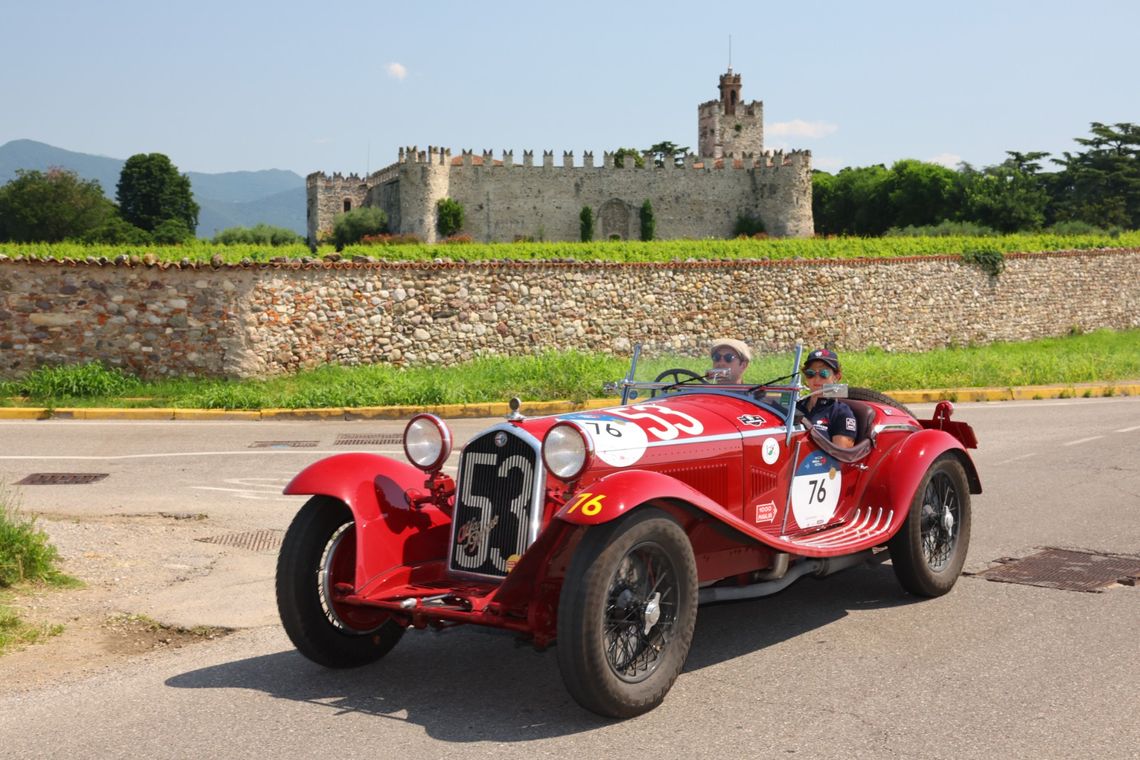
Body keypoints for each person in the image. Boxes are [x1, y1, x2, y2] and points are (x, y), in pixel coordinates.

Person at [797, 348, 856, 448]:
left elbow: (841, 456)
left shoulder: (841, 412)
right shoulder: (796, 406)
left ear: (836, 377)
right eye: (810, 373)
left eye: (824, 373)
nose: (816, 379)